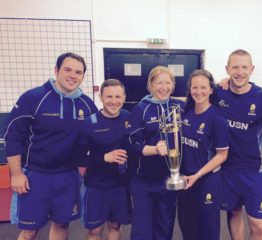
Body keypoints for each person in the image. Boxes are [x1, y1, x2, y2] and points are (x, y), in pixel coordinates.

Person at [4, 52, 98, 240]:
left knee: (61, 225)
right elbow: (12, 137)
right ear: (56, 71)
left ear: (83, 77)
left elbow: (99, 137)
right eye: (68, 69)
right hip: (34, 176)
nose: (73, 75)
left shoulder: (87, 105)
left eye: (78, 72)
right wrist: (16, 174)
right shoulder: (33, 98)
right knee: (30, 231)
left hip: (68, 177)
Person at [218, 49, 262, 240]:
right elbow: (195, 95)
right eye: (235, 67)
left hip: (255, 171)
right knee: (233, 213)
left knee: (259, 227)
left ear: (252, 69)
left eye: (244, 67)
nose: (239, 72)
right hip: (228, 170)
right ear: (227, 69)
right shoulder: (219, 92)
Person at [126, 66, 184, 240]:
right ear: (150, 85)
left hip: (169, 180)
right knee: (142, 230)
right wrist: (154, 150)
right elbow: (133, 143)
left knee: (165, 228)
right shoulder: (140, 109)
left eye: (168, 82)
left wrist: (223, 83)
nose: (163, 87)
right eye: (159, 83)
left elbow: (205, 97)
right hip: (144, 180)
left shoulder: (180, 106)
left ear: (173, 85)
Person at [75, 79, 131, 240]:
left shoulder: (129, 118)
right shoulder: (89, 123)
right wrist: (104, 157)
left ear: (124, 97)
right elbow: (77, 157)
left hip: (120, 185)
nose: (114, 101)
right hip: (96, 187)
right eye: (109, 97)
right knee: (95, 230)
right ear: (101, 97)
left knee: (115, 225)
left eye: (118, 97)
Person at [177, 69, 229, 240]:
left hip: (206, 181)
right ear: (190, 89)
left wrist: (197, 175)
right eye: (194, 87)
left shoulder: (217, 118)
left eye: (203, 87)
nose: (198, 92)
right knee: (187, 225)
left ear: (211, 89)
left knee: (207, 229)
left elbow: (222, 155)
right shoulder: (186, 113)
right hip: (186, 179)